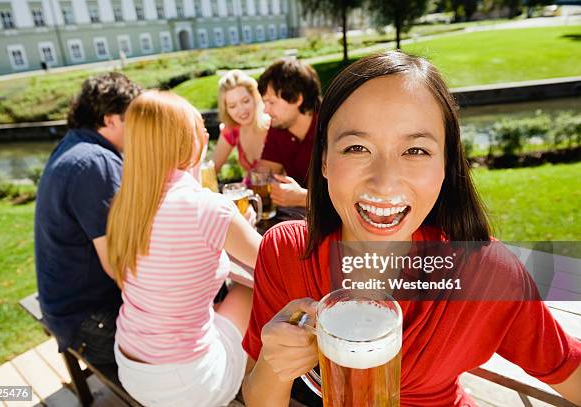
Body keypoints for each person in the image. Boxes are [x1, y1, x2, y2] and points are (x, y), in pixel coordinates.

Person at [241, 52, 581, 406]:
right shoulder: (285, 252)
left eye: (416, 150)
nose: (384, 183)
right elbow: (258, 396)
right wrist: (273, 362)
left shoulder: (488, 273)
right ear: (324, 158)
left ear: (446, 165)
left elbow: (569, 369)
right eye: (357, 147)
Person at [107, 91, 262, 407]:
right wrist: (241, 225)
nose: (206, 134)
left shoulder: (126, 204)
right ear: (186, 141)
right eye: (199, 129)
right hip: (186, 382)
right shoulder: (208, 209)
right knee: (248, 296)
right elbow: (272, 263)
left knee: (219, 306)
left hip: (131, 363)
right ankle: (254, 388)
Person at [34, 72, 141, 365]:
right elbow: (119, 266)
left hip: (66, 307)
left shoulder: (75, 147)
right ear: (110, 119)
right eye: (134, 117)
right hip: (89, 319)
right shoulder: (96, 163)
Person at [257, 58, 321, 209]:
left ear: (297, 98)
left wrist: (302, 198)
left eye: (271, 102)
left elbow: (352, 198)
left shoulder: (332, 129)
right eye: (264, 103)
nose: (266, 110)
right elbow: (262, 176)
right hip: (300, 218)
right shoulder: (278, 127)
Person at [212, 69, 271, 177]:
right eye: (232, 106)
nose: (241, 110)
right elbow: (212, 168)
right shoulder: (232, 130)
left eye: (245, 101)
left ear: (255, 97)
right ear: (226, 110)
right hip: (250, 191)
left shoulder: (273, 127)